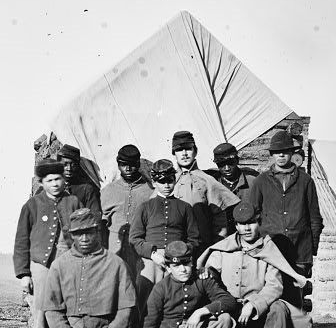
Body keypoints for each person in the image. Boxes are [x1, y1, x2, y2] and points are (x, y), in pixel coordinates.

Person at [197, 202, 312, 328]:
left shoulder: (269, 250)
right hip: (229, 308)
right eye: (242, 224)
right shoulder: (222, 249)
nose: (247, 228)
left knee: (279, 307)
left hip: (258, 312)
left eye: (251, 222)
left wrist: (253, 304)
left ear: (259, 223)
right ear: (235, 226)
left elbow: (274, 286)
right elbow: (212, 281)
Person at [42, 208, 137, 328]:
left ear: (97, 232)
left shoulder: (115, 264)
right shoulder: (60, 265)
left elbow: (127, 307)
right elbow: (52, 309)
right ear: (72, 236)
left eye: (89, 232)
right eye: (78, 233)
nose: (84, 238)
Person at [13, 159, 81, 328]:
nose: (55, 184)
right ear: (41, 183)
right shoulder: (32, 205)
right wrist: (24, 274)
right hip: (40, 268)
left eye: (58, 179)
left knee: (69, 314)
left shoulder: (73, 202)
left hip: (68, 266)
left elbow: (84, 235)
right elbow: (21, 241)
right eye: (49, 180)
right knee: (41, 316)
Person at [249, 130, 324, 306]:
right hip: (271, 251)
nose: (281, 155)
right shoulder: (261, 182)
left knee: (296, 301)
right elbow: (253, 216)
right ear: (272, 155)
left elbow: (315, 218)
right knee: (272, 296)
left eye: (285, 151)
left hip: (299, 252)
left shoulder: (306, 181)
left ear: (292, 153)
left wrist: (310, 249)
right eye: (277, 152)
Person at [129, 158, 201, 313]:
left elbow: (194, 239)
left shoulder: (185, 207)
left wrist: (180, 254)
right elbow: (135, 238)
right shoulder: (145, 207)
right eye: (162, 182)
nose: (167, 185)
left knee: (175, 300)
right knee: (144, 299)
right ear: (154, 183)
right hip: (151, 260)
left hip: (178, 260)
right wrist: (153, 254)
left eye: (170, 181)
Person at [170, 131, 240, 254]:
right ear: (174, 154)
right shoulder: (168, 182)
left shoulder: (207, 180)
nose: (185, 154)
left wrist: (215, 248)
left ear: (195, 151)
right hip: (174, 245)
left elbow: (220, 219)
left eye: (188, 149)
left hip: (201, 246)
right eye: (180, 150)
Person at [100, 144, 154, 277]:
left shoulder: (149, 192)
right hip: (113, 253)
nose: (128, 168)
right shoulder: (108, 191)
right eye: (124, 164)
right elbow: (101, 225)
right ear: (118, 165)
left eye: (132, 164)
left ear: (138, 164)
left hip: (138, 255)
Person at [205, 142, 258, 234]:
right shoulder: (212, 184)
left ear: (237, 161)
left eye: (230, 163)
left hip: (248, 233)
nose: (226, 168)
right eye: (221, 164)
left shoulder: (253, 182)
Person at [56, 144, 102, 217]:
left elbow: (95, 216)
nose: (69, 168)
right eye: (65, 164)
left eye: (73, 165)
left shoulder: (86, 189)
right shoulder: (52, 187)